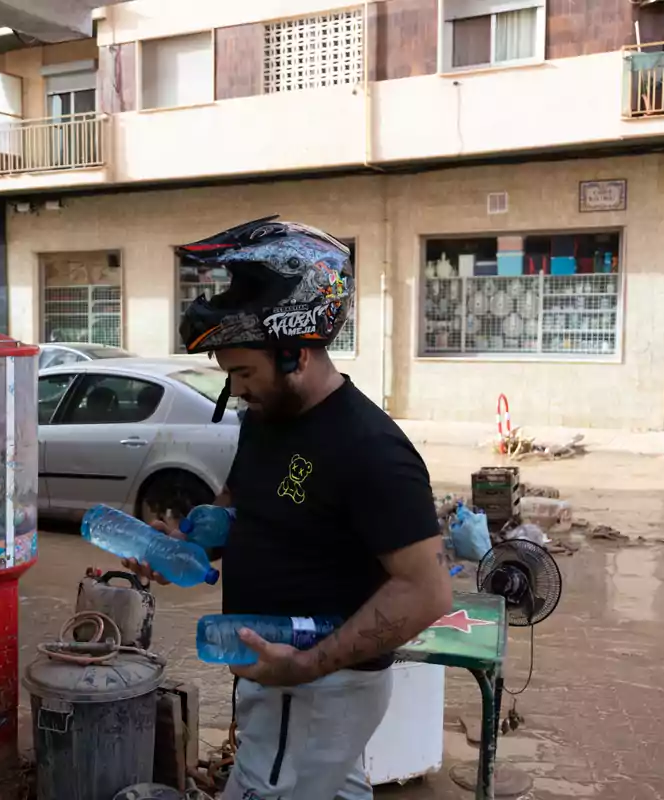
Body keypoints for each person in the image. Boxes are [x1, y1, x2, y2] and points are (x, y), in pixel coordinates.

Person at [123, 217, 452, 800]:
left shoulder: (371, 450)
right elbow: (242, 502)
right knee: (337, 789)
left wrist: (305, 667)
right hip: (279, 668)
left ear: (296, 354)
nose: (237, 391)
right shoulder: (268, 419)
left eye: (244, 372)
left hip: (319, 682)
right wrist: (189, 544)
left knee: (262, 790)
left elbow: (426, 593)